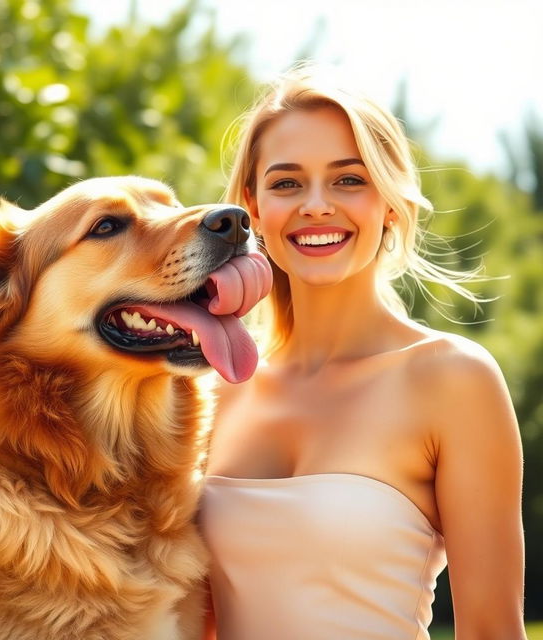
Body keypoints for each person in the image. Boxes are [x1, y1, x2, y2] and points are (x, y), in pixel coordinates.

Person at [198, 68, 527, 640]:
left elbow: (492, 631)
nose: (317, 205)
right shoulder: (212, 388)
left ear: (391, 202)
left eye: (349, 180)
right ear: (252, 204)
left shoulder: (453, 379)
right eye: (287, 183)